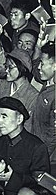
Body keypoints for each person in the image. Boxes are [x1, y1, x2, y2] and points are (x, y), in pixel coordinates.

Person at [0, 96, 50, 195]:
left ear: (19, 119)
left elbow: (42, 187)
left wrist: (12, 178)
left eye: (4, 117)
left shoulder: (37, 147)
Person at [32, 42, 56, 175]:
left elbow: (54, 134)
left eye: (43, 63)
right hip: (38, 151)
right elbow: (35, 70)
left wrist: (41, 157)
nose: (39, 67)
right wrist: (38, 48)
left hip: (49, 159)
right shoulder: (48, 81)